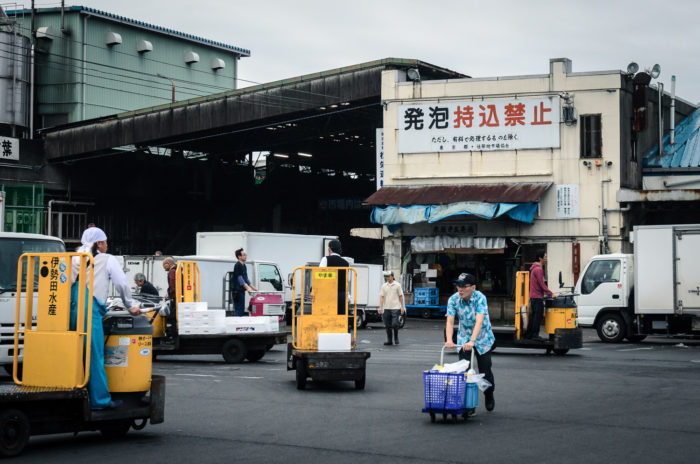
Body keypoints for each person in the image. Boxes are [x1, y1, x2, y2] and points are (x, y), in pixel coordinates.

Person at [71, 226, 140, 410]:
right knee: (94, 356)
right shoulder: (106, 259)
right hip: (89, 311)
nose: (107, 245)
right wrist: (130, 305)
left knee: (73, 355)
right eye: (106, 242)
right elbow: (121, 283)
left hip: (70, 311)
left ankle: (74, 395)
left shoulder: (73, 258)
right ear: (100, 243)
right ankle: (99, 401)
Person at [444, 272, 496, 413]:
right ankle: (469, 404)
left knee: (485, 371)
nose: (460, 289)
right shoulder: (453, 299)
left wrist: (473, 340)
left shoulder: (480, 298)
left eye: (463, 286)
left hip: (482, 338)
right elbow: (450, 321)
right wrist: (449, 340)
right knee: (465, 372)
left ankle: (489, 394)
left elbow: (479, 321)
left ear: (473, 287)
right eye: (458, 286)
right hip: (463, 338)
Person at [526, 252, 557, 341]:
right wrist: (551, 294)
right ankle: (535, 335)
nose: (546, 258)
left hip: (533, 296)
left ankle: (529, 334)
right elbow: (542, 284)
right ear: (540, 258)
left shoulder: (534, 268)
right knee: (537, 317)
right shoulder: (538, 269)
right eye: (545, 257)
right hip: (537, 296)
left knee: (533, 316)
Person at [319, 240, 349, 315]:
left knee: (327, 317)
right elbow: (348, 281)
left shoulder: (325, 259)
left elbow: (319, 277)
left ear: (329, 249)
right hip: (342, 295)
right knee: (340, 318)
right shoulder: (346, 263)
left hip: (328, 294)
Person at [378, 271, 405, 345]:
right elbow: (382, 297)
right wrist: (380, 307)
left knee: (395, 324)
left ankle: (396, 337)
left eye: (389, 276)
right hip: (387, 308)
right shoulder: (384, 286)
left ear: (392, 276)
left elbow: (400, 296)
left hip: (396, 307)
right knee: (387, 325)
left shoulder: (397, 285)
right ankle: (389, 340)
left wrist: (402, 307)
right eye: (386, 276)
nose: (387, 278)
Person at [232, 248, 257, 317]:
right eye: (244, 255)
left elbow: (245, 278)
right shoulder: (237, 265)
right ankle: (237, 325)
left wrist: (253, 287)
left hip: (241, 291)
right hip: (237, 291)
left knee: (241, 309)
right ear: (239, 257)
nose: (245, 256)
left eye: (245, 255)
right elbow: (240, 278)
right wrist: (247, 288)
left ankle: (239, 324)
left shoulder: (244, 266)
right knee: (238, 310)